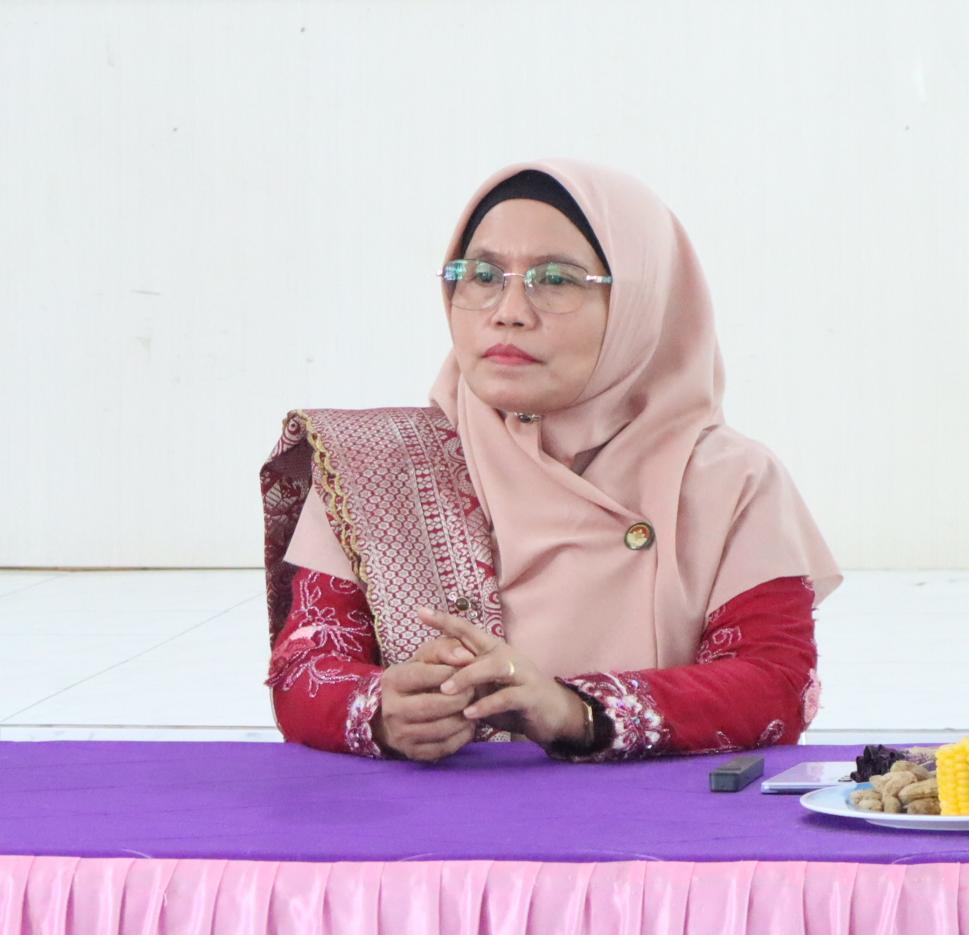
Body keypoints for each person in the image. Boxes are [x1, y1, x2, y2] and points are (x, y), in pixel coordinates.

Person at [261, 161, 838, 761]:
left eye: (556, 279)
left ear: (641, 305)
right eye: (482, 275)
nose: (508, 310)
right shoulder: (378, 466)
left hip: (655, 815)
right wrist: (383, 710)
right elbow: (304, 670)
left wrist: (573, 711)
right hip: (435, 816)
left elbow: (775, 684)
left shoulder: (730, 480)